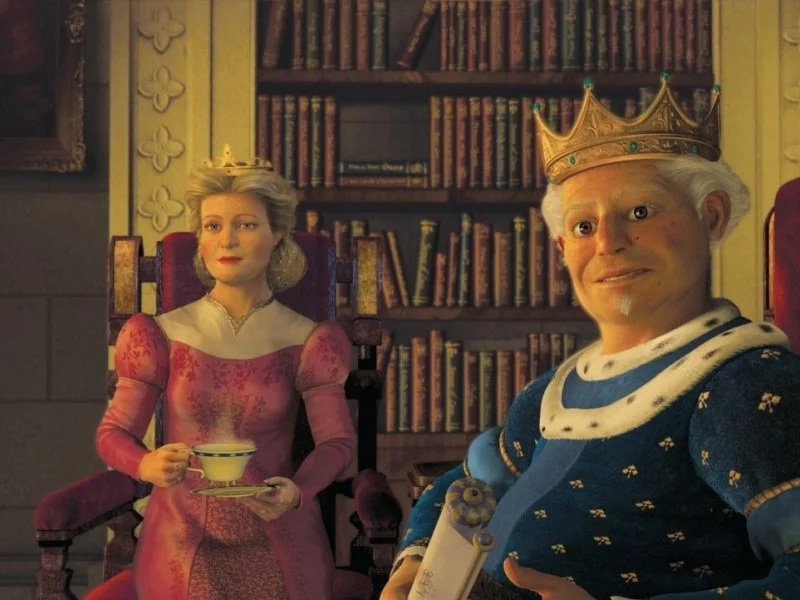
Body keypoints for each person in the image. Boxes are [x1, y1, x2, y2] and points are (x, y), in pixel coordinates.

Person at [381, 75, 800, 600]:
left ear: (710, 216)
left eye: (640, 212)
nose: (608, 243)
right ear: (563, 247)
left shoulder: (743, 386)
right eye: (583, 226)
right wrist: (414, 563)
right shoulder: (551, 394)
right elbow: (466, 489)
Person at [94, 145, 355, 599]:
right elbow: (112, 434)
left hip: (279, 529)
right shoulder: (157, 335)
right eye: (213, 226)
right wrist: (145, 464)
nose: (227, 241)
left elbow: (338, 443)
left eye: (246, 225)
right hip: (180, 535)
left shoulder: (311, 340)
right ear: (200, 237)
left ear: (277, 234)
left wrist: (297, 491)